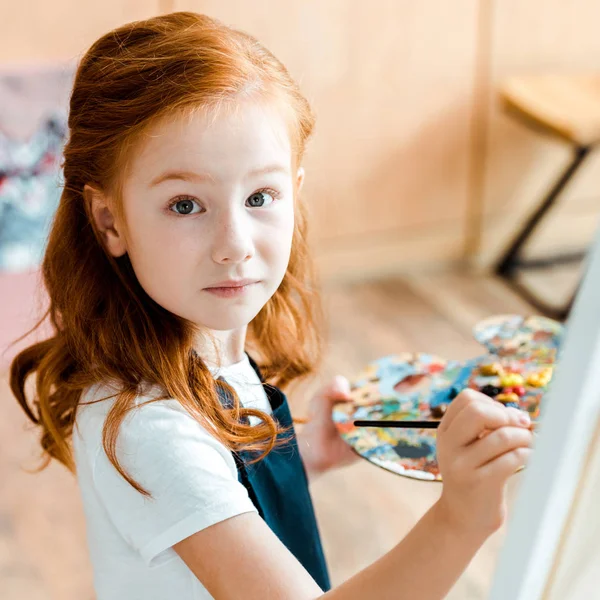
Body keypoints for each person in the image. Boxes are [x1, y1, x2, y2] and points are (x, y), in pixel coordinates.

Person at [9, 12, 534, 600]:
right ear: (110, 220)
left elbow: (215, 494)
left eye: (260, 196)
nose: (234, 244)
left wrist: (298, 458)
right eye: (186, 205)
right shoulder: (148, 426)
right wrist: (460, 521)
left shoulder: (195, 346)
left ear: (295, 192)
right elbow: (188, 474)